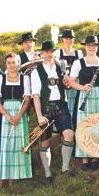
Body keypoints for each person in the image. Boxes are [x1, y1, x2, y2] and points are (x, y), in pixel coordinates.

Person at [30, 40, 75, 184]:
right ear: (42, 53)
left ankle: (65, 168)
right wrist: (39, 116)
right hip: (45, 108)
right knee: (45, 142)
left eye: (52, 52)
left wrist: (66, 79)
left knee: (69, 134)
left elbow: (67, 85)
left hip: (61, 105)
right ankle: (48, 173)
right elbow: (36, 95)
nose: (50, 54)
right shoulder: (36, 72)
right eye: (47, 52)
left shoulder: (60, 66)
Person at [69, 35, 99, 171]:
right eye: (89, 45)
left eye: (94, 46)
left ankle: (95, 157)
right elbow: (71, 82)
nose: (91, 48)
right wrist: (82, 87)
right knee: (84, 125)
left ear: (97, 47)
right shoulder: (78, 63)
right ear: (85, 47)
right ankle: (84, 157)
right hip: (85, 96)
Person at [0, 53, 32, 187]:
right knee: (4, 145)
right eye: (9, 63)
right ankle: (1, 177)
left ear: (18, 63)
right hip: (5, 112)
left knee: (18, 145)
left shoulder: (25, 78)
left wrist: (19, 116)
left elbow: (27, 100)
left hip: (20, 112)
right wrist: (7, 116)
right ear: (6, 64)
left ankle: (14, 175)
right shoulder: (0, 78)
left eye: (14, 62)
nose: (11, 65)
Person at [54, 29, 83, 120]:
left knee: (75, 103)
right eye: (66, 38)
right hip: (63, 81)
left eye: (71, 38)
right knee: (63, 102)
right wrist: (64, 77)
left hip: (75, 81)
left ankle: (74, 124)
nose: (69, 41)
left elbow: (82, 68)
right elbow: (56, 67)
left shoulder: (79, 53)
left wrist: (73, 79)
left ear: (73, 40)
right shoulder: (58, 52)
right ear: (63, 40)